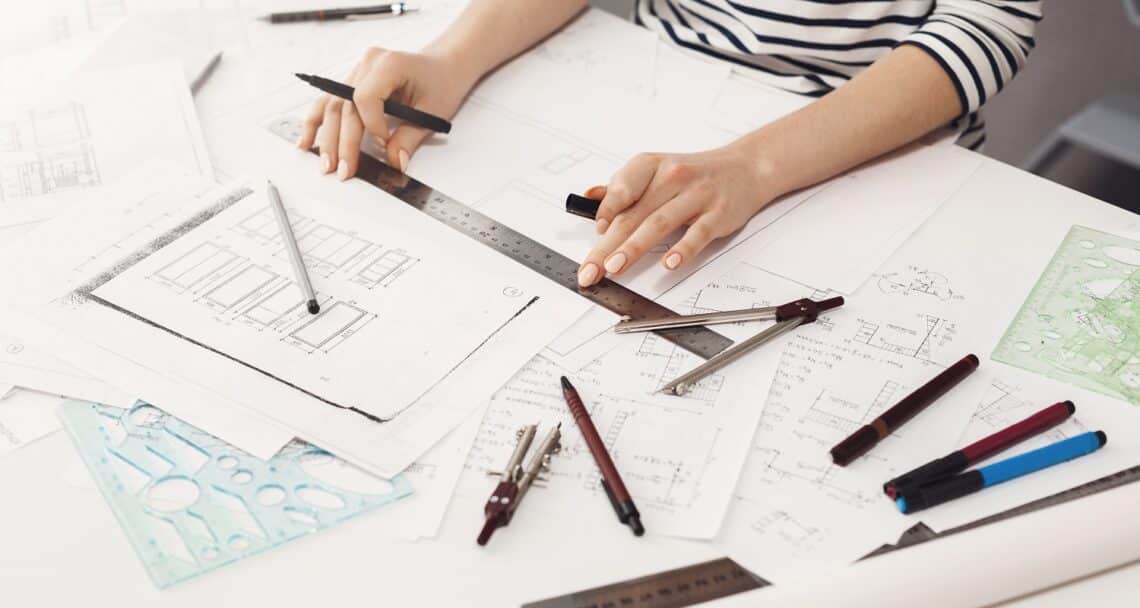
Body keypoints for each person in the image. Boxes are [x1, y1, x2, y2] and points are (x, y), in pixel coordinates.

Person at [297, 0, 1040, 288]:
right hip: (652, 96)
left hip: (881, 148)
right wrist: (451, 58)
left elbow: (985, 30)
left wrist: (755, 165)